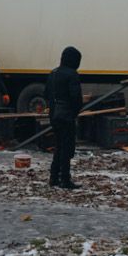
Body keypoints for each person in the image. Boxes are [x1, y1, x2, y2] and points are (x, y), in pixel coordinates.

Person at [46, 46, 83, 190]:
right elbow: (76, 98)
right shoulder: (72, 75)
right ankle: (65, 179)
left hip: (54, 114)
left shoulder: (53, 73)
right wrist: (74, 112)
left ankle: (54, 177)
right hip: (66, 115)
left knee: (58, 146)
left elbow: (46, 93)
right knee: (66, 148)